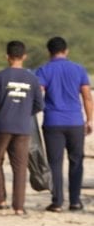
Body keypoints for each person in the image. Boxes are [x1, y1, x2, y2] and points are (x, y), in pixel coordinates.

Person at [35, 36, 93, 212]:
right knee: (76, 161)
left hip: (53, 121)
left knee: (55, 162)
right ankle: (75, 200)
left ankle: (57, 201)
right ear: (66, 51)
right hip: (75, 121)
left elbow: (38, 93)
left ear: (49, 52)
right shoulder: (78, 69)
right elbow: (87, 96)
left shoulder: (44, 70)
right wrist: (89, 119)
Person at [0, 41, 44, 215]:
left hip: (1, 125)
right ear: (24, 56)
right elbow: (39, 105)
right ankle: (18, 206)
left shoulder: (0, 76)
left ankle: (0, 200)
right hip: (23, 127)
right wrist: (25, 111)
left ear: (7, 56)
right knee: (20, 167)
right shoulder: (32, 78)